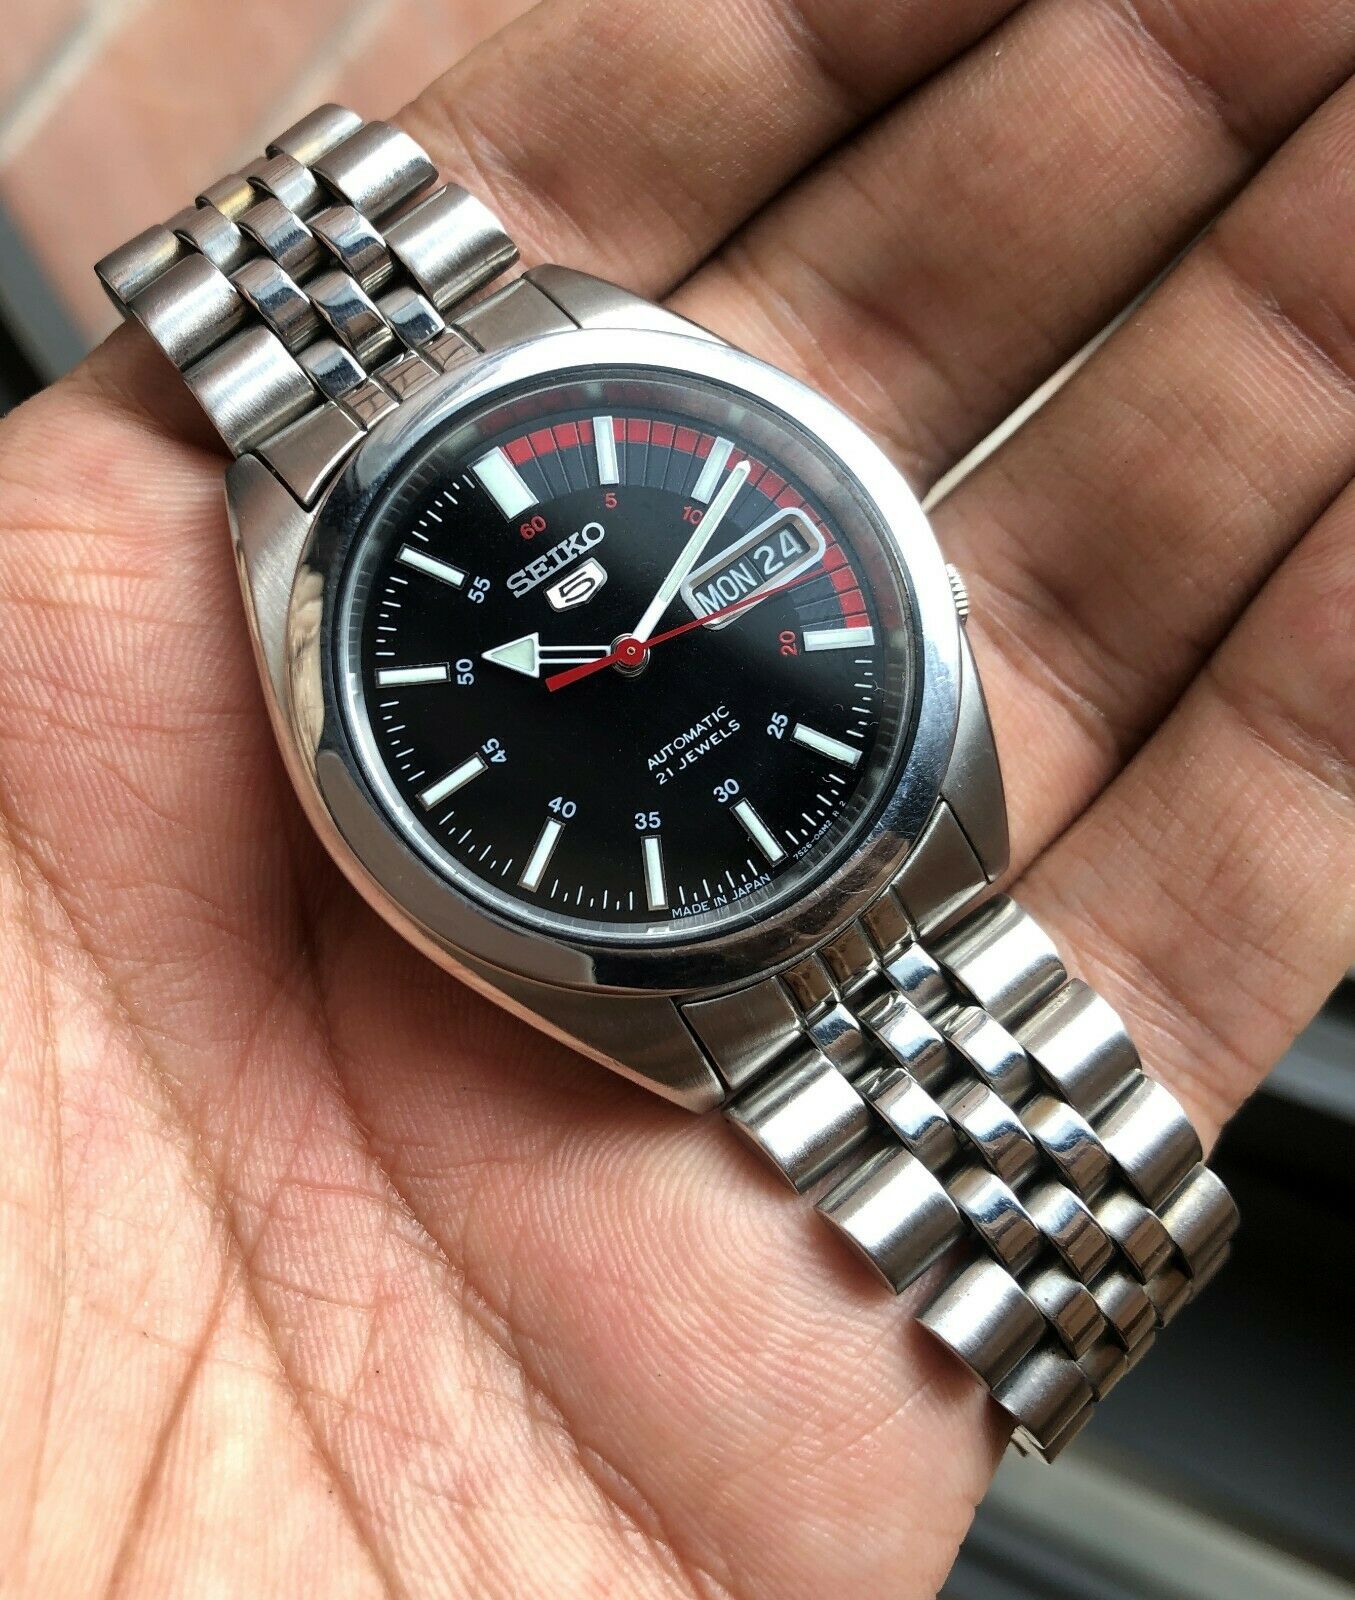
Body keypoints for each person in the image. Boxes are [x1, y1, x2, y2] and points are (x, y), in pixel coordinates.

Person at [1, 1, 1351, 1594]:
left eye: (635, 637)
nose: (630, 652)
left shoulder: (628, 424)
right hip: (717, 959)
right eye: (594, 657)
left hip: (877, 826)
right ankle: (1076, 1295)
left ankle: (1078, 1288)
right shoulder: (306, 575)